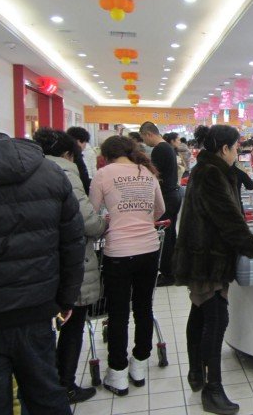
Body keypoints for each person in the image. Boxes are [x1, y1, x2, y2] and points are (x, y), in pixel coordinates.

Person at [0, 102, 85, 414]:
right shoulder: (49, 172)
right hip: (38, 305)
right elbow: (73, 242)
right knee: (45, 392)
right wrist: (66, 298)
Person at [173, 125, 253, 414]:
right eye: (236, 147)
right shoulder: (212, 173)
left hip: (203, 255)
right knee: (217, 319)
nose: (238, 151)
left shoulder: (209, 169)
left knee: (200, 313)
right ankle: (212, 389)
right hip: (208, 257)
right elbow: (228, 217)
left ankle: (197, 373)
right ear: (224, 149)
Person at [33, 128, 107, 404]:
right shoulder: (65, 172)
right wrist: (103, 224)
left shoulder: (28, 170)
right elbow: (86, 220)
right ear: (68, 153)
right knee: (72, 323)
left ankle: (43, 386)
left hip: (35, 267)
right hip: (69, 261)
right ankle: (65, 385)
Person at [89, 136, 165, 396]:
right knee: (144, 308)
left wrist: (112, 220)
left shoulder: (103, 174)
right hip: (149, 249)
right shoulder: (147, 173)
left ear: (106, 155)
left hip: (118, 252)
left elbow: (92, 213)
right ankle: (139, 365)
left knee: (118, 313)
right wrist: (141, 218)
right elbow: (160, 210)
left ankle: (118, 373)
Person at [140, 121, 181, 287]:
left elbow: (155, 176)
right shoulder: (168, 148)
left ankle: (168, 273)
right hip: (173, 195)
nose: (145, 142)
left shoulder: (159, 150)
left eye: (144, 138)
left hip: (166, 197)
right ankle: (172, 270)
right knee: (170, 235)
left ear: (148, 134)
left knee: (164, 235)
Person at [66, 126, 93, 194]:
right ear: (78, 141)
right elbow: (83, 177)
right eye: (85, 142)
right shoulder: (76, 156)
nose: (85, 145)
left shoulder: (64, 154)